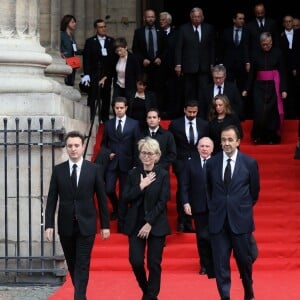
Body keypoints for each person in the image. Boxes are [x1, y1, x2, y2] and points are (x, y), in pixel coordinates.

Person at [45, 131, 110, 300]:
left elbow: (102, 199)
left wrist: (105, 225)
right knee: (72, 264)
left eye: (76, 146)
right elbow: (52, 199)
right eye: (70, 146)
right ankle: (81, 294)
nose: (73, 149)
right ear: (66, 148)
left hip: (86, 224)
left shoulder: (94, 169)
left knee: (82, 263)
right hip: (65, 225)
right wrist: (49, 224)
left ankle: (79, 297)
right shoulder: (58, 170)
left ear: (82, 147)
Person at [206, 125, 260, 300]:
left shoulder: (249, 163)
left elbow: (254, 192)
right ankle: (225, 297)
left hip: (241, 221)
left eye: (230, 140)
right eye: (223, 140)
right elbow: (209, 190)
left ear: (238, 141)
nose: (226, 143)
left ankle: (248, 292)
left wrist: (240, 207)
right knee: (221, 264)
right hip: (218, 222)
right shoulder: (212, 163)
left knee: (245, 262)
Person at [122, 137, 171, 300]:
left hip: (156, 224)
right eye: (144, 153)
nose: (146, 156)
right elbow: (126, 197)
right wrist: (141, 187)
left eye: (150, 153)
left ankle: (150, 296)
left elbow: (163, 200)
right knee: (135, 261)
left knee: (153, 264)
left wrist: (149, 222)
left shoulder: (163, 175)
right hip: (135, 223)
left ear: (157, 156)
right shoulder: (133, 174)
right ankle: (148, 292)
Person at [168, 100, 209, 232]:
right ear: (184, 110)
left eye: (194, 112)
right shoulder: (175, 124)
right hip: (182, 162)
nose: (192, 114)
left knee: (196, 190)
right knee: (182, 190)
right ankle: (182, 220)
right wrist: (175, 162)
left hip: (198, 162)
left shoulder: (204, 124)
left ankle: (192, 219)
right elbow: (172, 145)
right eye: (190, 111)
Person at [101, 97, 141, 227]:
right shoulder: (108, 124)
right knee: (109, 189)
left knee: (124, 193)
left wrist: (136, 164)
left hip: (127, 163)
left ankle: (122, 223)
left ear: (126, 108)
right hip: (112, 163)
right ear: (114, 108)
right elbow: (103, 144)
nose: (119, 110)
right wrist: (108, 153)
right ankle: (117, 207)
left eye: (121, 108)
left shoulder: (134, 124)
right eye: (117, 108)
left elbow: (137, 145)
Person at [242, 32, 287, 144]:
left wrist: (283, 89)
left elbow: (283, 72)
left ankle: (272, 137)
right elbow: (252, 73)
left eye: (269, 44)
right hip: (259, 88)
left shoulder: (278, 53)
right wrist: (246, 89)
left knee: (272, 113)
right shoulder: (256, 54)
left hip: (273, 87)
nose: (267, 46)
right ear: (260, 43)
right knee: (259, 112)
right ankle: (257, 137)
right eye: (264, 44)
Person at [181, 136, 215, 278]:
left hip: (216, 207)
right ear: (197, 148)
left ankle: (217, 264)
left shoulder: (218, 162)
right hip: (199, 206)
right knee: (202, 237)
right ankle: (204, 265)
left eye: (207, 146)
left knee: (216, 237)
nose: (204, 149)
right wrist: (186, 202)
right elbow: (184, 185)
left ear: (212, 148)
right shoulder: (190, 163)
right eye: (202, 146)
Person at [175, 7, 215, 111]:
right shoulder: (183, 29)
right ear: (190, 17)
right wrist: (178, 64)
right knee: (189, 92)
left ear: (202, 17)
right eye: (194, 17)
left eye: (198, 17)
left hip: (204, 66)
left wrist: (212, 63)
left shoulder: (209, 28)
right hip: (189, 67)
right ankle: (189, 112)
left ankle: (204, 113)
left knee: (204, 91)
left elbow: (212, 47)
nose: (196, 19)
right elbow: (179, 47)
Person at [81, 19, 116, 122]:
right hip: (94, 74)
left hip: (107, 75)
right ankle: (90, 120)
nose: (103, 29)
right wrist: (87, 74)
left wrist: (108, 75)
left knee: (106, 98)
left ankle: (105, 122)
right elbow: (86, 59)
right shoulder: (90, 41)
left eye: (104, 26)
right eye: (101, 27)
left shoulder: (111, 41)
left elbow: (113, 60)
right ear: (96, 29)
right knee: (92, 98)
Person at [132, 9, 166, 112]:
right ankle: (146, 112)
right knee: (146, 90)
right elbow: (135, 49)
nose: (150, 19)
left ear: (155, 18)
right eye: (148, 17)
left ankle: (157, 112)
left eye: (152, 17)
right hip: (145, 67)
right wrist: (142, 59)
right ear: (144, 18)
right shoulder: (139, 32)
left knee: (159, 91)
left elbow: (166, 48)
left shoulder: (161, 31)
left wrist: (161, 58)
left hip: (158, 66)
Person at [218, 11, 249, 118]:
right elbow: (221, 48)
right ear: (234, 20)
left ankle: (241, 113)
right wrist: (221, 64)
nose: (242, 21)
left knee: (242, 90)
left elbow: (249, 48)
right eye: (240, 18)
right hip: (228, 66)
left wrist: (248, 62)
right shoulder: (226, 32)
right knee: (228, 89)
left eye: (243, 19)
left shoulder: (247, 32)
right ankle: (227, 112)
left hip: (242, 66)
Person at [159, 11, 183, 119]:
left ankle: (173, 113)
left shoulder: (177, 33)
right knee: (161, 91)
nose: (161, 21)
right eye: (160, 19)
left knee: (174, 91)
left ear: (169, 21)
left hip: (173, 68)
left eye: (163, 20)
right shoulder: (157, 32)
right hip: (159, 68)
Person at [279, 15, 299, 119]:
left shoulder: (299, 35)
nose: (288, 23)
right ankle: (288, 115)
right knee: (287, 92)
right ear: (283, 23)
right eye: (286, 22)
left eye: (290, 21)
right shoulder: (280, 37)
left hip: (298, 69)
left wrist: (295, 67)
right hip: (285, 70)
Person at [60, 15, 82, 86]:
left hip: (72, 63)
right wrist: (61, 54)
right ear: (67, 22)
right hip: (65, 63)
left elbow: (75, 50)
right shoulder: (61, 35)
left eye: (75, 22)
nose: (75, 24)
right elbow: (58, 48)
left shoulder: (72, 36)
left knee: (71, 82)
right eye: (72, 22)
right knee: (66, 83)